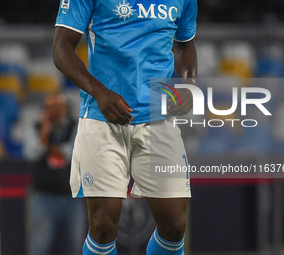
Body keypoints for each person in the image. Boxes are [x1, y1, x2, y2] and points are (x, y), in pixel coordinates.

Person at [53, 0, 197, 254]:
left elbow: (185, 44)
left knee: (175, 225)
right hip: (102, 118)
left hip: (158, 119)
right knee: (103, 225)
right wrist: (99, 92)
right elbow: (61, 49)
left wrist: (189, 82)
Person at [23, 92, 86, 255]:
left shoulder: (76, 127)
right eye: (50, 108)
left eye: (58, 107)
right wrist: (44, 132)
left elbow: (75, 152)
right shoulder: (36, 128)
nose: (54, 111)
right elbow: (31, 153)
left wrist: (49, 148)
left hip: (72, 196)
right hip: (43, 196)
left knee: (75, 246)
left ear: (66, 108)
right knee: (39, 245)